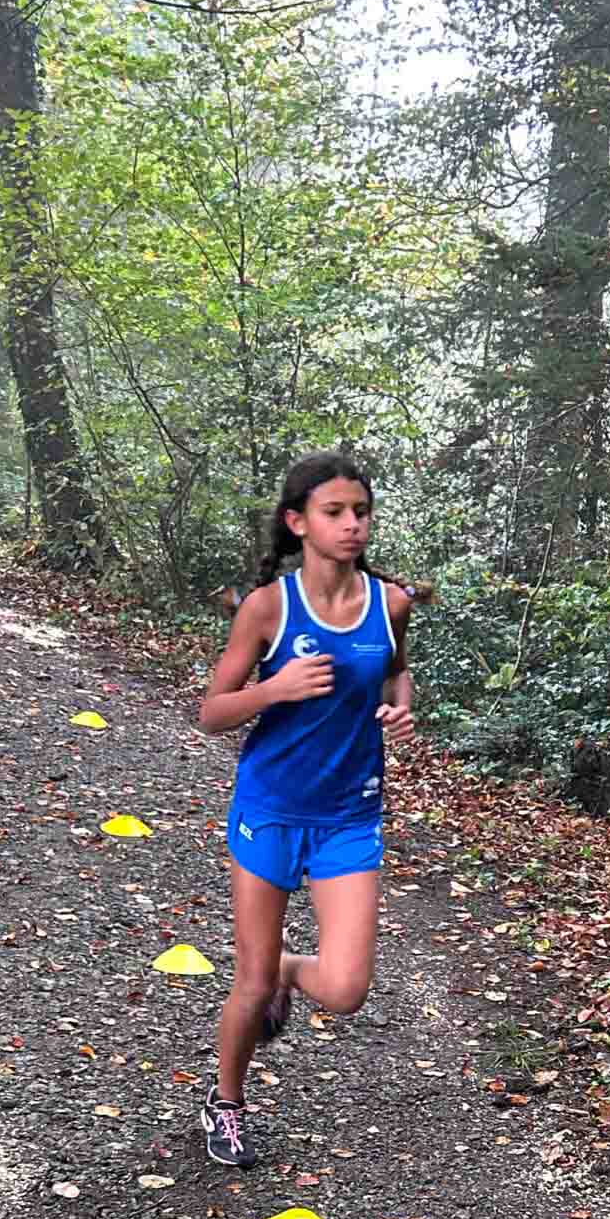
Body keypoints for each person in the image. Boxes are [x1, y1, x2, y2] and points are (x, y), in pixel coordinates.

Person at [196, 451, 430, 1168]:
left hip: (350, 815)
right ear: (299, 522)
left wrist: (400, 710)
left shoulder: (390, 603)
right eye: (335, 513)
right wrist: (277, 688)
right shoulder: (268, 608)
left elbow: (395, 674)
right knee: (250, 981)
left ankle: (293, 971)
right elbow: (211, 713)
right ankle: (227, 1102)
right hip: (270, 808)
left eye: (361, 512)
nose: (353, 525)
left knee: (347, 988)